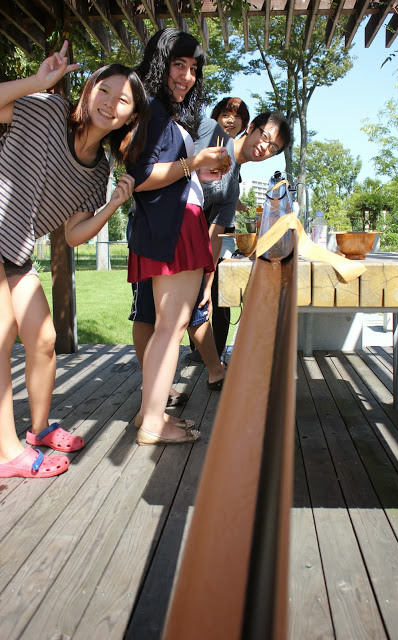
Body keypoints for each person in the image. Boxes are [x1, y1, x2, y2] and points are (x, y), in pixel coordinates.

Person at [0, 41, 148, 478]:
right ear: (88, 89)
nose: (110, 103)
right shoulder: (45, 109)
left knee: (44, 340)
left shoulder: (99, 169)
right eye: (105, 89)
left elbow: (73, 235)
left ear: (130, 117)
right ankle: (7, 452)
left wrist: (110, 207)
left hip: (15, 251)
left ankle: (39, 430)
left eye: (122, 100)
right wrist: (37, 81)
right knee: (2, 333)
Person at [131, 110, 291, 412]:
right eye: (265, 137)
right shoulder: (212, 132)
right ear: (252, 128)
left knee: (186, 315)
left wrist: (208, 280)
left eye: (273, 148)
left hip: (186, 244)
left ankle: (196, 378)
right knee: (147, 315)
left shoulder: (232, 188)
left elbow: (215, 235)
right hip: (152, 228)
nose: (264, 147)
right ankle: (154, 391)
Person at [126, 28, 230, 446]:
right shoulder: (152, 108)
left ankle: (146, 414)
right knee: (171, 326)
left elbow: (164, 174)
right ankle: (154, 422)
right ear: (159, 64)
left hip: (173, 221)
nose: (186, 76)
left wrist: (201, 170)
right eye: (178, 65)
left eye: (192, 68)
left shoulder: (163, 112)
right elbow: (141, 177)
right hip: (172, 225)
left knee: (168, 325)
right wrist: (193, 163)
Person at [187, 96, 251, 363]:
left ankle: (218, 349)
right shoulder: (204, 140)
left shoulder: (235, 156)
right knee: (191, 288)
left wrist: (238, 204)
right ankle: (198, 350)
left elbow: (226, 189)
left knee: (219, 289)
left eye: (237, 117)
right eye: (225, 113)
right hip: (191, 225)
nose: (230, 120)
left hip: (221, 229)